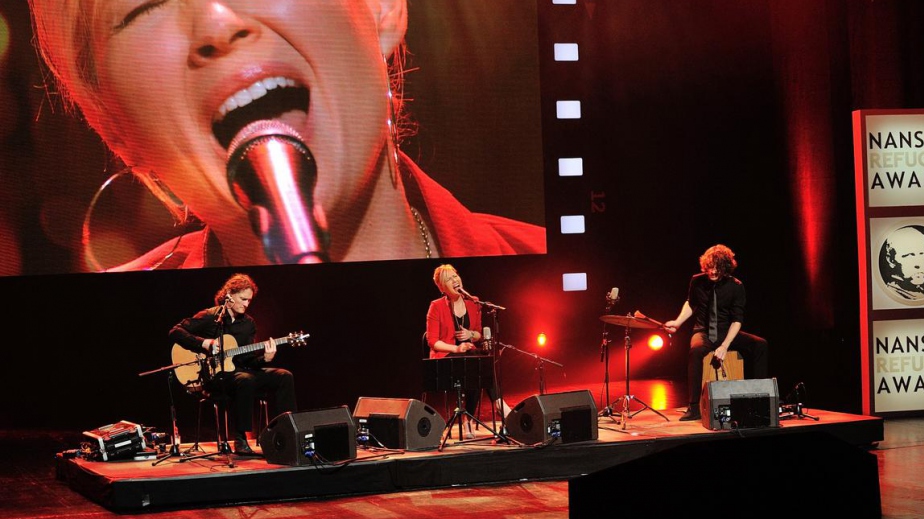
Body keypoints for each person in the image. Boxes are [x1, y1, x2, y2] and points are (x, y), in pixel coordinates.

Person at [26, 0, 546, 271]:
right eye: (141, 6)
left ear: (382, 9)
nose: (215, 22)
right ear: (113, 125)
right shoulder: (97, 355)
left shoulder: (554, 275)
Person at [169, 273, 296, 453]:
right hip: (213, 377)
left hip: (239, 373)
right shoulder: (210, 317)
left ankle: (289, 431)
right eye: (243, 299)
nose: (246, 304)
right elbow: (175, 331)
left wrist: (265, 359)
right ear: (229, 295)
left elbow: (248, 361)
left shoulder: (248, 324)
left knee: (284, 376)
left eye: (249, 300)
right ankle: (240, 438)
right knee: (245, 379)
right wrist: (204, 343)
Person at [664, 244, 768, 421]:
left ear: (725, 268)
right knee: (696, 350)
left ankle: (759, 399)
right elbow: (691, 303)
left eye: (717, 269)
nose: (712, 272)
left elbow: (737, 320)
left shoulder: (736, 286)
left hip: (726, 332)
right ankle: (694, 407)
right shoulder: (697, 281)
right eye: (710, 268)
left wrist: (725, 346)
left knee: (760, 345)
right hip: (703, 331)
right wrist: (678, 322)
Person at [426, 264, 504, 438]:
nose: (455, 280)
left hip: (470, 357)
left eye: (455, 276)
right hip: (446, 358)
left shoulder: (473, 303)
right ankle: (499, 405)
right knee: (475, 361)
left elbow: (478, 334)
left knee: (478, 360)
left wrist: (470, 334)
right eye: (449, 279)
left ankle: (468, 419)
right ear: (441, 287)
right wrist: (457, 347)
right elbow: (433, 341)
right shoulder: (436, 306)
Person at [882, 226, 924, 300]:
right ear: (891, 260)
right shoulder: (890, 296)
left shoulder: (920, 293)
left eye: (922, 254)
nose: (919, 264)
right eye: (910, 255)